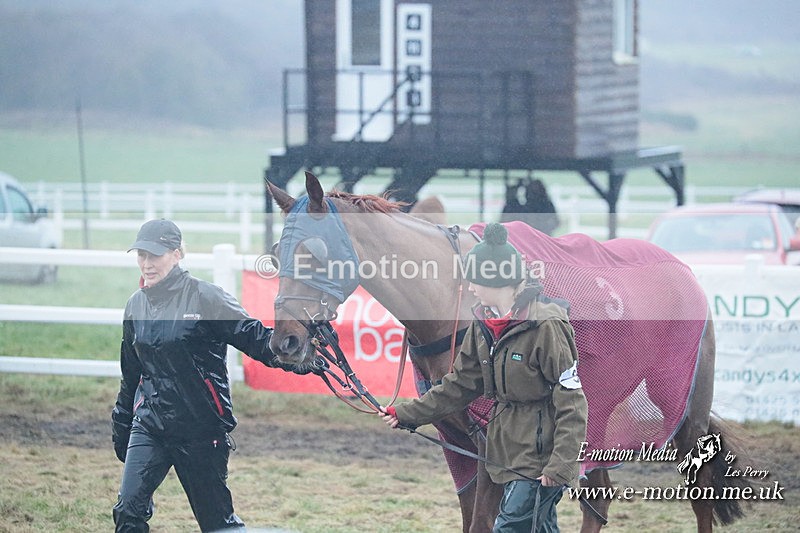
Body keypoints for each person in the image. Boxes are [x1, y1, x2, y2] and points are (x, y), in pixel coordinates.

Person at [381, 222, 587, 533]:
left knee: (508, 528)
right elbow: (459, 385)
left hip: (541, 458)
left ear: (498, 281)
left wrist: (561, 464)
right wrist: (408, 413)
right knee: (538, 528)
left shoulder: (546, 326)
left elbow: (572, 402)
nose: (470, 289)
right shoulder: (482, 325)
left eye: (475, 281)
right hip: (502, 454)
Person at [111, 219, 307, 532]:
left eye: (155, 255)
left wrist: (296, 355)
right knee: (127, 512)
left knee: (218, 526)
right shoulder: (135, 306)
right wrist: (122, 429)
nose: (146, 264)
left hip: (201, 431)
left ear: (177, 254)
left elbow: (252, 337)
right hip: (150, 426)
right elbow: (131, 374)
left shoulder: (206, 298)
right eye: (141, 256)